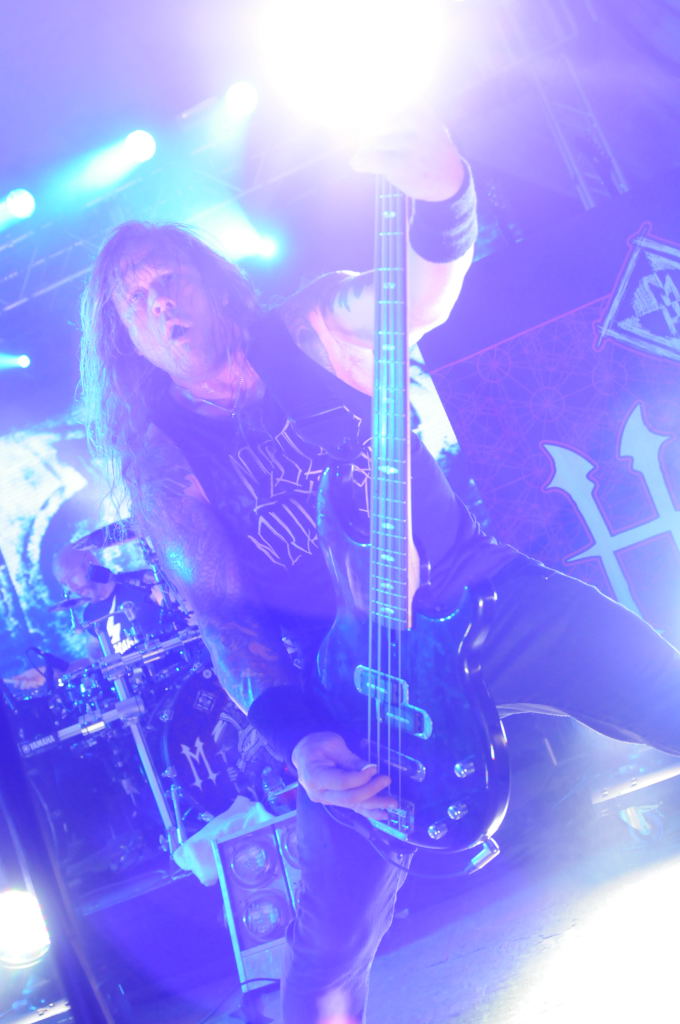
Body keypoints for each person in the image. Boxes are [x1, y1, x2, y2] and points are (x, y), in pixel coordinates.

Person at [78, 111, 680, 1023]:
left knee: (663, 690)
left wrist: (444, 196)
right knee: (326, 955)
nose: (159, 303)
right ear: (125, 336)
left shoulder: (307, 330)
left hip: (477, 595)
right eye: (135, 301)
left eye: (169, 279)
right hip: (357, 691)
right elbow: (227, 622)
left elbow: (417, 297)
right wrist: (298, 740)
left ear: (210, 283)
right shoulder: (164, 461)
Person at [52, 546, 166, 656]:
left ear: (90, 563)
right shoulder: (89, 615)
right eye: (65, 583)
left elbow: (173, 606)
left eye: (72, 576)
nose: (72, 587)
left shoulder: (140, 586)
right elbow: (94, 651)